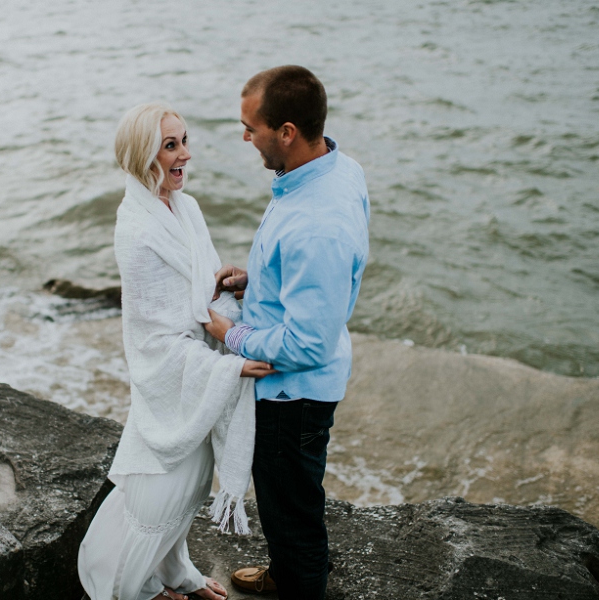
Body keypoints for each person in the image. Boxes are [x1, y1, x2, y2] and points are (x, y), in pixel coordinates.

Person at [78, 102, 276, 600]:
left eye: (184, 140)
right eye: (171, 145)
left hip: (195, 374)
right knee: (159, 503)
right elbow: (154, 337)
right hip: (174, 380)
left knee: (178, 504)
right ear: (144, 155)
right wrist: (229, 368)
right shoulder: (138, 231)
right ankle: (125, 590)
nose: (185, 154)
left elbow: (203, 292)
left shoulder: (183, 207)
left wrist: (234, 298)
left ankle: (174, 576)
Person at [204, 66, 370, 600]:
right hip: (302, 381)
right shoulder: (336, 169)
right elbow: (316, 281)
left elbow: (307, 343)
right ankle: (286, 571)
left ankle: (297, 582)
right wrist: (263, 280)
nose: (244, 136)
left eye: (250, 127)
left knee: (291, 507)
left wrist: (232, 335)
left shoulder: (316, 226)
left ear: (287, 132)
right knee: (288, 500)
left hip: (292, 392)